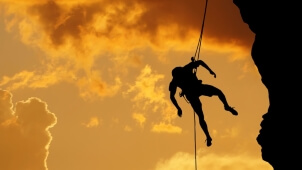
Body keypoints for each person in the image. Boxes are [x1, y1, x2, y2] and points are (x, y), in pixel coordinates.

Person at [169, 58, 238, 147]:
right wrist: (210, 71)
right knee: (203, 113)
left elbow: (172, 97)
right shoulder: (180, 75)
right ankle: (208, 136)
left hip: (195, 91)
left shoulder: (178, 77)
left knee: (216, 95)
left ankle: (226, 107)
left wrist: (178, 108)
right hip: (195, 91)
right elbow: (200, 62)